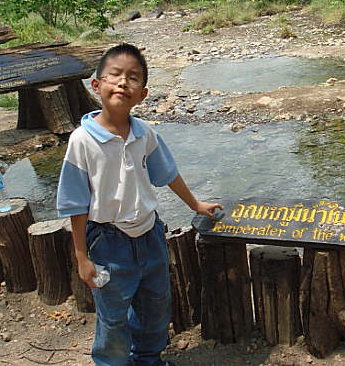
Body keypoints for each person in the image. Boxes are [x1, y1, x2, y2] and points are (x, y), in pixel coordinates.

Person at [56, 43, 222, 366]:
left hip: (150, 236)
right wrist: (81, 257)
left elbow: (168, 174)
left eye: (133, 78)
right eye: (114, 75)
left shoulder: (144, 133)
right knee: (113, 316)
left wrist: (196, 204)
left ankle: (148, 359)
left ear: (143, 94)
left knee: (155, 305)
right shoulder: (82, 140)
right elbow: (76, 203)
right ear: (96, 85)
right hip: (108, 242)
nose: (122, 83)